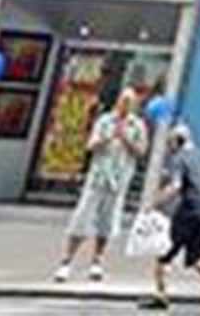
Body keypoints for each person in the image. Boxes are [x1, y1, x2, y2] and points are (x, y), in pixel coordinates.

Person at [55, 87, 150, 285]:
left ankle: (97, 261)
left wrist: (125, 138)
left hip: (119, 179)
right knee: (82, 217)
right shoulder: (105, 121)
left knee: (107, 222)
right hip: (98, 177)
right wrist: (106, 138)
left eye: (129, 102)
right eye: (123, 101)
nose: (125, 105)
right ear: (117, 102)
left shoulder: (137, 125)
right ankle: (66, 261)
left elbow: (141, 152)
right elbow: (90, 146)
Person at [141, 120, 200, 310]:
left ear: (178, 141)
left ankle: (161, 296)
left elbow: (176, 185)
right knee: (196, 256)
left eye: (171, 142)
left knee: (164, 253)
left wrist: (153, 203)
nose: (170, 146)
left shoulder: (179, 158)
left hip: (188, 209)